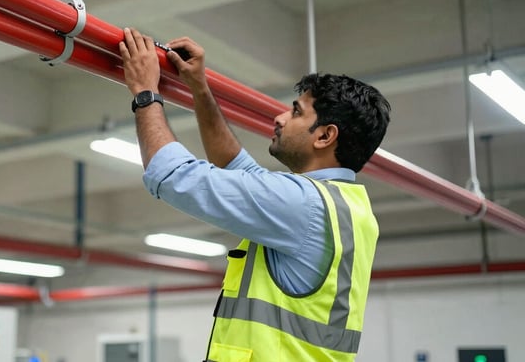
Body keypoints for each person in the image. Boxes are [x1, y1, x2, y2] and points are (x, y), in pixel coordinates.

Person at [118, 27, 391, 362]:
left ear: (324, 136)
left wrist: (145, 92)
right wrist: (199, 89)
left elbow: (172, 176)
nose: (279, 118)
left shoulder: (305, 204)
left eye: (295, 111)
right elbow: (236, 167)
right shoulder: (346, 208)